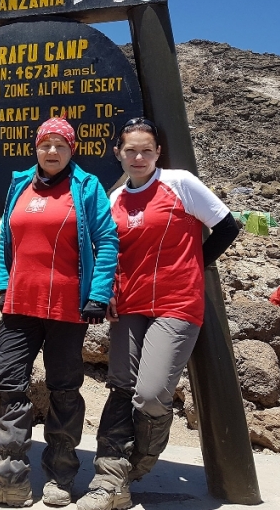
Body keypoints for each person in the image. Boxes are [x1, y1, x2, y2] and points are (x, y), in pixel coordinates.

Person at [79, 117, 239, 510]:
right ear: (118, 153)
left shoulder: (180, 183)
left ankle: (139, 464)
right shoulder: (115, 198)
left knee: (150, 394)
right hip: (129, 305)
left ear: (157, 153)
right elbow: (109, 251)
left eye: (146, 150)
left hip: (177, 304)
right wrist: (110, 290)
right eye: (130, 150)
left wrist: (192, 264)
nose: (138, 157)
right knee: (120, 386)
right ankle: (109, 480)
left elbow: (227, 227)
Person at [0, 117, 119, 508]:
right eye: (45, 144)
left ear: (72, 149)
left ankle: (61, 474)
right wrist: (3, 285)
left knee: (64, 388)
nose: (52, 151)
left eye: (60, 145)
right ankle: (10, 477)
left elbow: (107, 240)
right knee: (9, 379)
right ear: (36, 148)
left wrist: (98, 294)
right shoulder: (19, 184)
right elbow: (6, 239)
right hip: (20, 303)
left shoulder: (86, 187)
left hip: (69, 306)